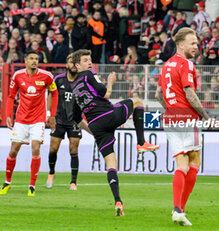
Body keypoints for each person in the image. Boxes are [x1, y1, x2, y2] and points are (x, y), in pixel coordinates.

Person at [70, 49, 159, 216]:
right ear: (77, 65)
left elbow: (76, 117)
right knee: (137, 101)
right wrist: (110, 81)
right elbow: (107, 93)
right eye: (85, 60)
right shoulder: (90, 74)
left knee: (111, 164)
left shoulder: (74, 87)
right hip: (107, 115)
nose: (89, 63)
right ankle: (141, 143)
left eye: (90, 59)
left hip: (97, 126)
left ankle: (118, 202)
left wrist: (93, 131)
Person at [155, 28, 218, 226]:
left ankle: (177, 209)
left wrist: (172, 110)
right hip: (187, 118)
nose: (195, 46)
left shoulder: (166, 65)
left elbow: (158, 94)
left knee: (181, 164)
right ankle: (179, 209)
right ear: (180, 45)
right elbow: (190, 94)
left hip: (171, 118)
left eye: (196, 43)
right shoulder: (186, 64)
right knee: (194, 162)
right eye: (192, 43)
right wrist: (206, 117)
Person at [0, 51, 58, 196]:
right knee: (13, 150)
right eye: (31, 58)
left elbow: (55, 93)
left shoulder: (46, 76)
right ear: (25, 60)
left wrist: (52, 114)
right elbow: (11, 96)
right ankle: (7, 182)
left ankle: (32, 185)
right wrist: (8, 115)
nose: (34, 61)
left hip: (38, 120)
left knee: (35, 147)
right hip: (21, 119)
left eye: (36, 59)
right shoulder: (18, 76)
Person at [46, 54, 90, 190]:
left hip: (74, 121)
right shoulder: (58, 80)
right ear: (67, 65)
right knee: (53, 148)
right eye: (71, 62)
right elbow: (50, 97)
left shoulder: (82, 81)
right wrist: (49, 115)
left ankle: (73, 181)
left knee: (73, 149)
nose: (73, 65)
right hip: (58, 119)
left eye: (75, 63)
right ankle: (51, 173)